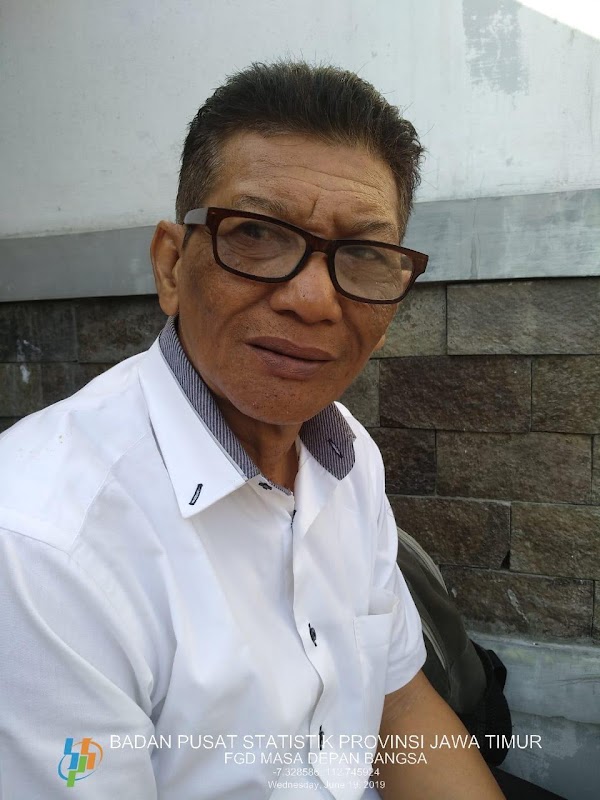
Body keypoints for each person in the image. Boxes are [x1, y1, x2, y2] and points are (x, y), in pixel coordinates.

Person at [0, 62, 504, 798]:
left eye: (364, 253)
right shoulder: (41, 548)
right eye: (258, 235)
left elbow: (398, 707)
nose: (313, 300)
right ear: (171, 266)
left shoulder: (348, 458)